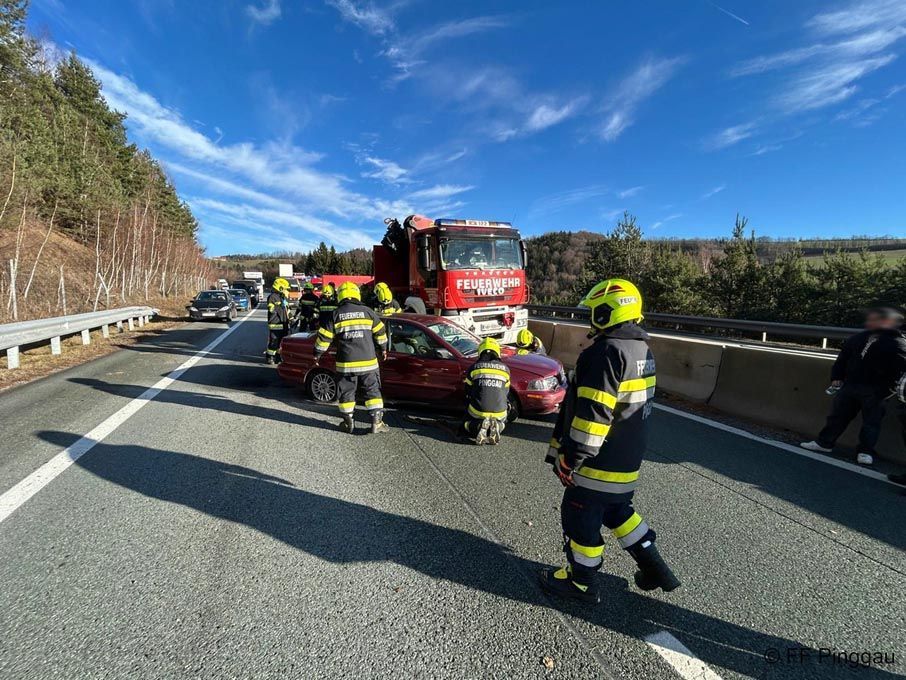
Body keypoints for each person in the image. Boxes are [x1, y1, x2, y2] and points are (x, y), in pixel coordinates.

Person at [540, 278, 679, 604]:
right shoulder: (642, 350)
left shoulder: (604, 353)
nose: (590, 318)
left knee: (580, 515)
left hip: (596, 464)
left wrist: (570, 458)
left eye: (593, 311)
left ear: (606, 312)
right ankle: (655, 567)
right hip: (626, 460)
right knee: (618, 511)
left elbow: (592, 419)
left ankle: (581, 583)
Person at [801, 307, 906, 466]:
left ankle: (865, 451)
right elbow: (843, 358)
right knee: (837, 416)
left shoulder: (897, 342)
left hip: (876, 390)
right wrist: (836, 376)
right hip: (851, 384)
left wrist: (889, 389)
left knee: (871, 422)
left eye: (876, 319)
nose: (870, 322)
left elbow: (902, 369)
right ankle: (825, 443)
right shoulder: (859, 337)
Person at [313, 281, 390, 434]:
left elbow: (323, 339)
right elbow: (381, 334)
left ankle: (348, 423)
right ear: (357, 294)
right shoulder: (368, 312)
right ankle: (377, 423)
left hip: (346, 364)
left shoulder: (335, 315)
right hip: (369, 362)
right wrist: (383, 350)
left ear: (340, 296)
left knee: (346, 392)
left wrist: (317, 354)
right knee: (372, 391)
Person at [461, 337, 510, 445]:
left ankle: (478, 426)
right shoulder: (506, 369)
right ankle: (498, 425)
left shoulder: (474, 368)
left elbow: (467, 390)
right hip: (500, 412)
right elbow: (506, 392)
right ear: (497, 352)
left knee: (465, 423)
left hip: (478, 411)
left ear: (480, 351)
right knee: (504, 417)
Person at [265, 278, 291, 365]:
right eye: (285, 288)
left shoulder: (282, 297)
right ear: (280, 288)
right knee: (274, 342)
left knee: (281, 343)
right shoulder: (272, 297)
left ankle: (278, 357)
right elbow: (271, 309)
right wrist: (280, 305)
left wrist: (290, 318)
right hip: (275, 324)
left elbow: (287, 311)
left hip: (284, 323)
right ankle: (270, 357)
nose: (286, 290)